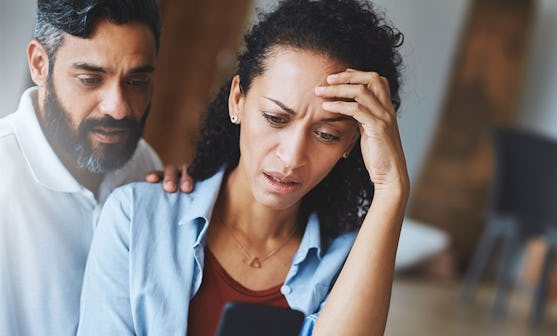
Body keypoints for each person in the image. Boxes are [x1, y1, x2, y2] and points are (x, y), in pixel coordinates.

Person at [77, 0, 409, 334]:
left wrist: (391, 188)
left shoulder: (349, 261)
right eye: (275, 118)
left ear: (352, 141)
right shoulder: (136, 218)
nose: (292, 157)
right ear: (238, 99)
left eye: (327, 135)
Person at [0, 1, 189, 334]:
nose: (117, 109)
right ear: (39, 64)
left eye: (136, 82)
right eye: (90, 79)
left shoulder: (144, 165)